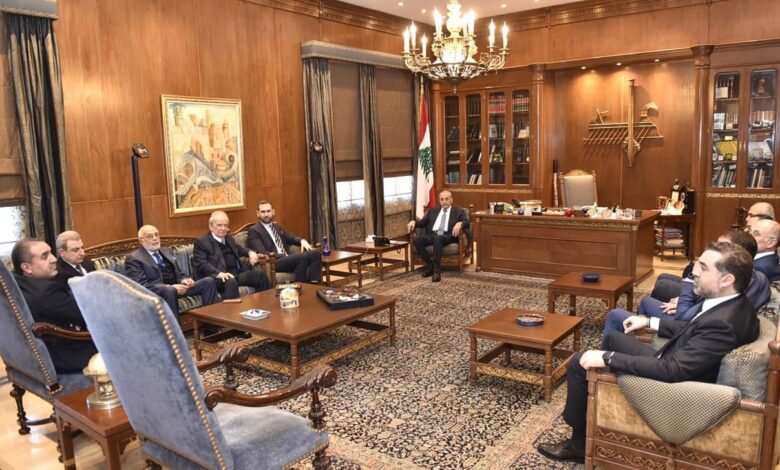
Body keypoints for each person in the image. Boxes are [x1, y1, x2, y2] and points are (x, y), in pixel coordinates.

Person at [538, 241, 759, 464]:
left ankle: (578, 444)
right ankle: (600, 403)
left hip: (674, 387)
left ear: (726, 280)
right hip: (673, 360)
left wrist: (608, 358)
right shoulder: (732, 305)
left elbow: (672, 370)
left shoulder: (723, 324)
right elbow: (692, 328)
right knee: (614, 338)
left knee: (578, 362)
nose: (694, 272)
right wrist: (649, 321)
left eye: (703, 267)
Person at [601, 229, 769, 347]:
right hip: (684, 323)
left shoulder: (724, 319)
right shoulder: (737, 292)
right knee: (653, 293)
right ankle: (635, 335)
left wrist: (689, 283)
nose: (714, 249)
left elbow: (683, 320)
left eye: (721, 247)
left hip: (674, 344)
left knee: (617, 315)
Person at [10, 239, 98, 373]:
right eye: (44, 256)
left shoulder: (15, 282)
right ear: (27, 268)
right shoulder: (46, 292)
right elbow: (87, 316)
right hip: (65, 356)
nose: (54, 259)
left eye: (51, 253)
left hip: (30, 357)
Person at [125, 225, 220, 315]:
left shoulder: (166, 251)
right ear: (141, 241)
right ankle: (174, 327)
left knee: (209, 281)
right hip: (159, 293)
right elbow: (141, 286)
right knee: (169, 291)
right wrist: (170, 287)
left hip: (178, 288)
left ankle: (212, 323)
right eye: (150, 236)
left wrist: (185, 279)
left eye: (157, 234)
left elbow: (180, 273)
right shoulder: (134, 258)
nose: (155, 238)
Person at [193, 211, 270, 298]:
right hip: (218, 278)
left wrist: (250, 252)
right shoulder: (202, 243)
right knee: (230, 281)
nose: (223, 228)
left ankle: (264, 304)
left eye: (225, 225)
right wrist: (219, 274)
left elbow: (240, 249)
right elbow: (202, 264)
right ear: (211, 226)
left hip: (236, 274)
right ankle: (231, 307)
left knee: (259, 274)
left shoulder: (228, 239)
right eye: (219, 225)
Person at [246, 200, 321, 283]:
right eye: (263, 212)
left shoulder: (276, 226)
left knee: (316, 253)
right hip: (274, 262)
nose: (266, 214)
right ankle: (302, 286)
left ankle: (314, 284)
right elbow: (261, 252)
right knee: (303, 257)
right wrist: (284, 256)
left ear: (273, 212)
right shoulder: (254, 230)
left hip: (287, 259)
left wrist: (302, 241)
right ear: (258, 213)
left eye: (268, 211)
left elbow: (290, 238)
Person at [406, 190, 469, 283]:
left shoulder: (458, 211)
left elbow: (467, 223)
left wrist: (460, 223)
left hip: (448, 235)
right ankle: (430, 265)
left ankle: (436, 271)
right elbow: (422, 223)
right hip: (433, 234)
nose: (444, 202)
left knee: (438, 238)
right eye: (442, 199)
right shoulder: (433, 211)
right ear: (439, 201)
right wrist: (413, 222)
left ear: (451, 200)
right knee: (417, 240)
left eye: (446, 199)